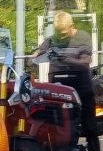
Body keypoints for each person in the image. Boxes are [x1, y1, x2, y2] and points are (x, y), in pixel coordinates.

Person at [32, 11, 97, 140]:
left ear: (72, 26)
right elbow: (35, 58)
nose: (61, 37)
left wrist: (67, 59)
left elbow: (85, 61)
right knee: (62, 127)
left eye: (64, 33)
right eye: (58, 33)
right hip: (60, 89)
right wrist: (35, 57)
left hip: (81, 86)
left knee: (89, 126)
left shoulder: (83, 37)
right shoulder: (51, 40)